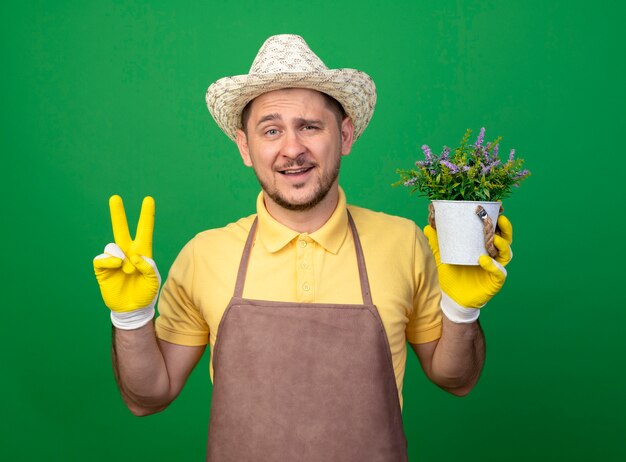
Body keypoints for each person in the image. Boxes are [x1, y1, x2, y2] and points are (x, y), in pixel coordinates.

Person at [93, 34, 513, 461]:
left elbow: (456, 379)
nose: (292, 149)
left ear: (345, 135)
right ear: (245, 147)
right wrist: (131, 318)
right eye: (271, 130)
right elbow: (147, 398)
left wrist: (461, 309)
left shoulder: (402, 242)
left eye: (309, 126)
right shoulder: (206, 254)